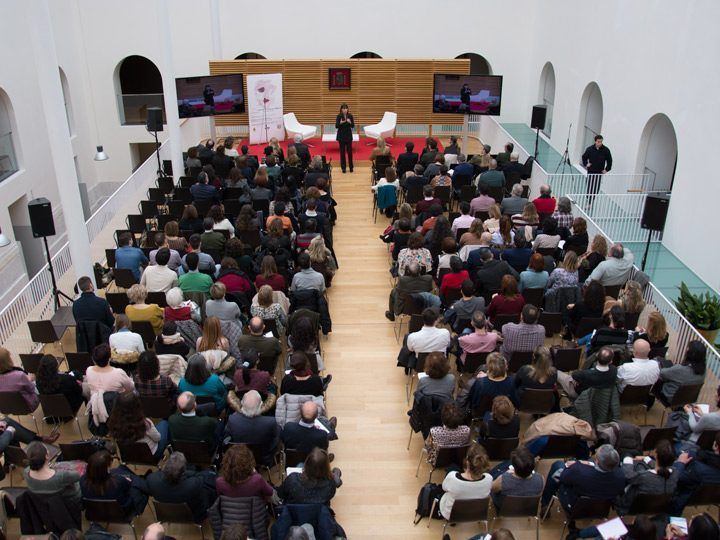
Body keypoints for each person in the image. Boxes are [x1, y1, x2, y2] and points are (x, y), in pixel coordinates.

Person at [540, 444, 625, 516]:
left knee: (557, 466)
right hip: (601, 510)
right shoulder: (621, 475)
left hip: (575, 507)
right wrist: (588, 464)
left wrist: (576, 464)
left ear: (597, 462)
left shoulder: (579, 471)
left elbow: (563, 478)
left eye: (596, 454)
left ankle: (545, 504)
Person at [613, 439, 678, 515]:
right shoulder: (675, 473)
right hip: (656, 509)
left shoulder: (644, 477)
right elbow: (662, 468)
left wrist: (627, 459)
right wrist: (646, 459)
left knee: (624, 461)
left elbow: (628, 476)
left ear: (656, 455)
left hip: (629, 508)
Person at [146, 451, 216, 522]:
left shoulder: (151, 479)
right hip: (190, 516)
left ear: (165, 466)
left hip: (165, 513)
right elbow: (199, 476)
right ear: (183, 472)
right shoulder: (194, 484)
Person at [80, 450, 146, 516]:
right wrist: (127, 480)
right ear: (106, 469)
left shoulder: (82, 480)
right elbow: (128, 486)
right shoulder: (118, 481)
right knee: (136, 485)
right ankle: (145, 482)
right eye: (109, 465)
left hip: (94, 512)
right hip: (120, 513)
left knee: (121, 469)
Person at [108, 391, 169, 460]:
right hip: (151, 455)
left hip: (129, 455)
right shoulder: (145, 423)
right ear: (137, 405)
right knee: (165, 423)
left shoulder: (113, 423)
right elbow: (158, 438)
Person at [438, 443, 492, 520]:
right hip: (477, 514)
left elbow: (444, 488)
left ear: (467, 462)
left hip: (452, 514)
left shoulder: (452, 477)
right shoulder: (489, 479)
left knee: (452, 467)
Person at [225, 390, 280, 464]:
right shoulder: (271, 422)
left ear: (242, 403)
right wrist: (268, 454)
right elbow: (275, 442)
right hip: (263, 458)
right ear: (261, 405)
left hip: (239, 457)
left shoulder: (233, 420)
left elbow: (226, 439)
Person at [24, 440, 82, 506]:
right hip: (67, 502)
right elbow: (78, 475)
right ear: (47, 456)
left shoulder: (26, 472)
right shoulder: (61, 475)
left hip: (43, 503)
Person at [277, 448, 342, 505]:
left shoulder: (292, 479)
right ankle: (322, 464)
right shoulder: (330, 485)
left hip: (293, 515)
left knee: (299, 465)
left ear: (307, 463)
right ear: (326, 468)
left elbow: (280, 494)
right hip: (317, 516)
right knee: (335, 470)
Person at [490, 446, 544, 510]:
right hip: (527, 508)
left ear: (514, 466)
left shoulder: (503, 479)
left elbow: (492, 489)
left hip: (505, 508)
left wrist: (506, 473)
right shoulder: (541, 479)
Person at [335, 103, 354, 173]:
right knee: (342, 153)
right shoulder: (339, 116)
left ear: (347, 109)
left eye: (346, 108)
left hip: (348, 136)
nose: (345, 110)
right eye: (343, 108)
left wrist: (350, 122)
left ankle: (351, 167)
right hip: (341, 137)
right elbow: (336, 126)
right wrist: (340, 123)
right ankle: (343, 168)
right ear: (341, 109)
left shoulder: (350, 116)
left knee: (350, 152)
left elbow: (352, 126)